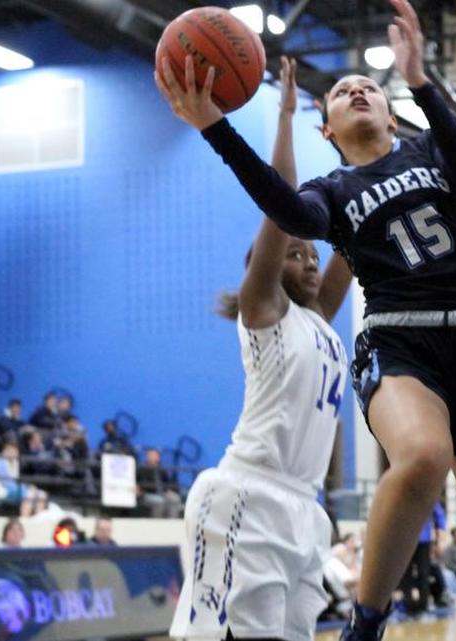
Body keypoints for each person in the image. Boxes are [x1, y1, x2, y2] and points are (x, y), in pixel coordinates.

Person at [155, 3, 456, 638]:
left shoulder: (429, 151)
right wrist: (217, 128)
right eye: (343, 91)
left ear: (392, 113)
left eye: (369, 86)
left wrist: (421, 80)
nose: (358, 90)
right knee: (424, 456)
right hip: (405, 339)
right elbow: (287, 208)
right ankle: (367, 619)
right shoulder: (332, 192)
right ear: (328, 128)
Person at [168, 57, 352, 641]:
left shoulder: (320, 320)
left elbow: (358, 229)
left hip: (305, 509)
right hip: (247, 497)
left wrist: (359, 152)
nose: (311, 260)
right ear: (264, 268)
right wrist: (287, 118)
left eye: (313, 253)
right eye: (295, 253)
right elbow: (280, 201)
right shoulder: (266, 311)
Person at [0, 441, 48, 517]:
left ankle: (38, 519)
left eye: (14, 450)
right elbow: (7, 484)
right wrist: (27, 488)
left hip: (13, 490)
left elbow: (16, 482)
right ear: (4, 452)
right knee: (29, 494)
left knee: (42, 494)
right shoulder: (0, 463)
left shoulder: (15, 463)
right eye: (9, 450)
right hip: (1, 491)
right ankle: (25, 518)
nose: (12, 452)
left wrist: (29, 488)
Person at [136, 448, 183, 519]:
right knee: (159, 501)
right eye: (151, 455)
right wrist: (137, 489)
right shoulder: (141, 469)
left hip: (162, 493)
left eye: (155, 455)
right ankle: (157, 522)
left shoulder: (162, 470)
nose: (153, 457)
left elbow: (167, 483)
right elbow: (136, 482)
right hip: (146, 494)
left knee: (175, 498)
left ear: (158, 457)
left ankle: (172, 521)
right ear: (147, 456)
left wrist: (168, 491)